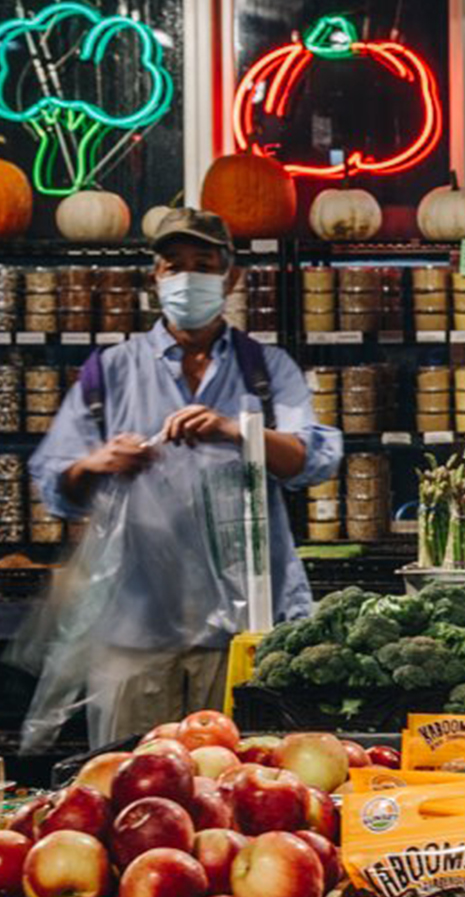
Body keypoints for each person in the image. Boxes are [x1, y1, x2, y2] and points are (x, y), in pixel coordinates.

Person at [30, 207, 343, 745]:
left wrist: (237, 431)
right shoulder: (111, 371)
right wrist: (94, 463)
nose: (187, 277)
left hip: (241, 633)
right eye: (174, 265)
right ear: (156, 276)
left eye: (204, 264)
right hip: (135, 631)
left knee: (241, 784)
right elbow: (56, 484)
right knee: (133, 787)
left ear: (232, 276)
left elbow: (314, 459)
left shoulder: (265, 369)